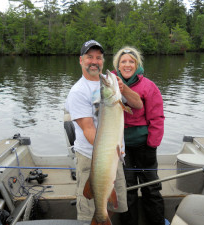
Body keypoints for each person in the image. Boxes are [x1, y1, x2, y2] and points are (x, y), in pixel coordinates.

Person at [65, 40, 143, 224]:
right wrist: (107, 152)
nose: (94, 61)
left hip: (114, 156)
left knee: (113, 204)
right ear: (81, 60)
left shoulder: (112, 85)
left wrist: (123, 89)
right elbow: (88, 129)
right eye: (89, 57)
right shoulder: (78, 91)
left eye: (98, 58)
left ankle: (103, 218)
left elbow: (138, 104)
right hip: (92, 158)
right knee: (89, 211)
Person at [112, 46, 165, 225]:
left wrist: (152, 146)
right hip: (121, 149)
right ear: (117, 65)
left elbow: (157, 119)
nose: (127, 65)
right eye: (123, 61)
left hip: (144, 147)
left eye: (131, 61)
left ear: (137, 64)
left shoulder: (149, 87)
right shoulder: (110, 84)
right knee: (127, 190)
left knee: (151, 188)